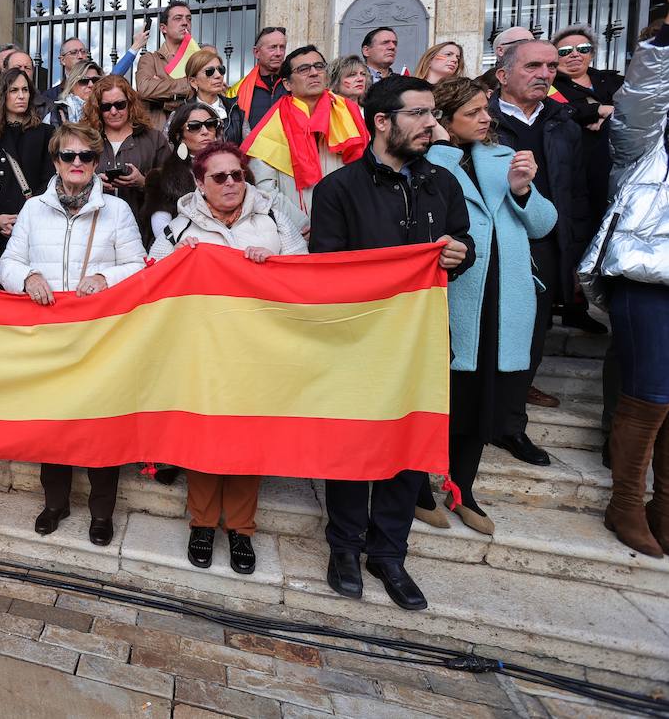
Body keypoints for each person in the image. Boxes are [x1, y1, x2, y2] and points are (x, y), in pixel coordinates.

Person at [309, 76, 472, 611]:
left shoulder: (443, 184)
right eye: (420, 114)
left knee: (409, 448)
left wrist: (457, 254)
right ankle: (345, 548)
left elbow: (462, 241)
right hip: (358, 344)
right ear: (383, 122)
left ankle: (389, 553)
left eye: (433, 114)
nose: (433, 125)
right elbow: (327, 271)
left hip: (422, 345)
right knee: (352, 449)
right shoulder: (338, 191)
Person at [149, 141, 307, 571]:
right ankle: (202, 523)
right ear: (201, 183)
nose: (231, 182)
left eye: (237, 174)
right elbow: (154, 279)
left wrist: (272, 263)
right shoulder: (180, 230)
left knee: (247, 440)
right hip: (205, 353)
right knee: (205, 439)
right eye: (219, 176)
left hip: (260, 351)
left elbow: (304, 272)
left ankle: (241, 529)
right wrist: (179, 265)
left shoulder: (274, 218)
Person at [415, 78, 556, 536]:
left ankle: (462, 489)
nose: (486, 118)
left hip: (502, 299)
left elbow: (542, 225)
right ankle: (417, 487)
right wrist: (440, 149)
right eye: (473, 111)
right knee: (437, 401)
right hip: (454, 298)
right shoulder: (427, 160)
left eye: (485, 109)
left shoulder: (503, 158)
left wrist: (521, 190)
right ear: (445, 119)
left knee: (481, 403)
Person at [0, 122, 146, 546]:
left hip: (100, 336)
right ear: (56, 161)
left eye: (85, 156)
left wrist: (104, 275)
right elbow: (9, 262)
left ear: (97, 162)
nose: (76, 163)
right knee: (54, 423)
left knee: (100, 426)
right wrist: (27, 278)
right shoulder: (32, 209)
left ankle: (102, 512)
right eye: (69, 156)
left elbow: (137, 266)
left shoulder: (116, 210)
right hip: (50, 335)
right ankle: (56, 503)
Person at [580, 0, 669, 556]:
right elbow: (638, 102)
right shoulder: (648, 137)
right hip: (647, 272)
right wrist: (665, 36)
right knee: (651, 392)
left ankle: (665, 507)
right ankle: (625, 503)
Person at [490, 39, 592, 459]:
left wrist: (578, 255)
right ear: (503, 74)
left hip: (547, 246)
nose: (545, 74)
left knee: (531, 339)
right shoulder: (482, 120)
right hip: (493, 245)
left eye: (551, 66)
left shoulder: (563, 121)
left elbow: (576, 194)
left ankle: (510, 426)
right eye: (533, 65)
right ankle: (470, 421)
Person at [243, 45, 369, 234]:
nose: (314, 73)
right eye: (303, 69)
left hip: (349, 225)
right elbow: (264, 188)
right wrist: (302, 224)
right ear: (287, 84)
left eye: (319, 66)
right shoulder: (273, 124)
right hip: (297, 231)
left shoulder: (349, 113)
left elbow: (366, 173)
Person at [0, 66, 54, 259]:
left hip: (34, 223)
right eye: (14, 90)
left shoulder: (46, 133)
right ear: (2, 95)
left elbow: (50, 181)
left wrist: (26, 218)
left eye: (25, 90)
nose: (21, 96)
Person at [553, 24, 623, 257]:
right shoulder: (551, 86)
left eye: (582, 48)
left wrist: (608, 111)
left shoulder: (612, 81)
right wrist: (594, 111)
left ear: (592, 53)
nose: (574, 54)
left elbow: (637, 107)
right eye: (564, 51)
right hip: (582, 167)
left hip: (621, 165)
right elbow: (560, 111)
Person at [140, 96, 229, 249]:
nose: (205, 131)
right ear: (178, 136)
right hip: (186, 249)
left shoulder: (237, 171)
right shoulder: (160, 177)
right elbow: (161, 226)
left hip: (230, 248)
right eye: (194, 126)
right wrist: (177, 244)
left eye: (211, 125)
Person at [84, 75, 173, 210]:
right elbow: (67, 183)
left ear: (130, 103)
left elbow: (172, 187)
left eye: (120, 105)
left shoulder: (154, 139)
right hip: (95, 223)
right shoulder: (86, 140)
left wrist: (144, 182)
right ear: (98, 109)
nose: (113, 112)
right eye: (106, 107)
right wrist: (92, 185)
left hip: (141, 224)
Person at [135, 0, 195, 126]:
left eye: (188, 19)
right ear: (163, 28)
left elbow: (205, 94)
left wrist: (162, 96)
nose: (185, 23)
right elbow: (145, 89)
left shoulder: (197, 59)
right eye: (178, 18)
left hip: (193, 132)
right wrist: (187, 84)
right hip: (159, 138)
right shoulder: (150, 59)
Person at [43, 32, 147, 101]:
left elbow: (113, 76)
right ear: (62, 60)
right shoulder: (50, 96)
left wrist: (136, 45)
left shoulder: (96, 83)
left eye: (83, 52)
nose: (80, 56)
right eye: (74, 52)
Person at [227, 27, 289, 128]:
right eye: (272, 47)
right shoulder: (236, 91)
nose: (279, 53)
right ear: (256, 52)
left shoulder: (295, 85)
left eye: (282, 47)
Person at [0, 51, 59, 126]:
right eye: (17, 68)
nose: (22, 71)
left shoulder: (48, 107)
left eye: (27, 68)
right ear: (5, 70)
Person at [477, 26, 535, 93]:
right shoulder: (481, 85)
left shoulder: (544, 77)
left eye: (534, 42)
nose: (532, 47)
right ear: (501, 50)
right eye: (523, 42)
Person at [50, 59, 103, 125]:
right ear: (72, 84)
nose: (91, 85)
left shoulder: (109, 109)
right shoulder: (56, 112)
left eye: (95, 80)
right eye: (84, 80)